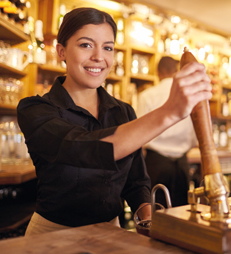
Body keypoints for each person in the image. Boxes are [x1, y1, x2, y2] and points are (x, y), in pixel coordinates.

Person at [17, 7, 212, 236]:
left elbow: (137, 182)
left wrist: (148, 218)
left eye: (107, 47)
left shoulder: (123, 112)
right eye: (86, 45)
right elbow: (84, 148)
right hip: (51, 237)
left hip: (111, 233)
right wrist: (169, 112)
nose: (99, 57)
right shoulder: (35, 109)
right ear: (61, 51)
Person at [137, 56, 198, 208]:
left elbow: (139, 135)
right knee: (180, 214)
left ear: (158, 72)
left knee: (155, 215)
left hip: (156, 163)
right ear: (176, 71)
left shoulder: (147, 95)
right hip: (182, 165)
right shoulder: (189, 96)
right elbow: (194, 138)